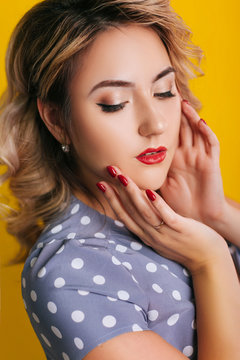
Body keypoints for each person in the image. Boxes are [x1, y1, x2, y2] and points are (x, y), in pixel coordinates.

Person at [0, 0, 239, 359]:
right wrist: (211, 260)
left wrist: (218, 214)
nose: (155, 124)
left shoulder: (187, 207)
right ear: (56, 120)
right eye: (114, 103)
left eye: (164, 91)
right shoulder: (69, 274)